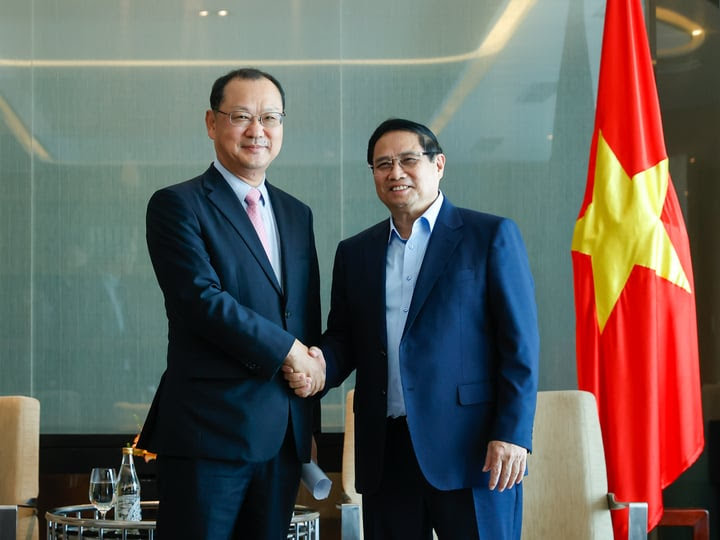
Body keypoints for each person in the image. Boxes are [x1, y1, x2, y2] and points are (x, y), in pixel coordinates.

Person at [287, 118, 539, 539]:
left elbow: (520, 347)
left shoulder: (489, 236)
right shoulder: (355, 253)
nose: (395, 172)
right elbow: (344, 339)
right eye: (383, 164)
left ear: (438, 164)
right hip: (386, 451)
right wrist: (317, 366)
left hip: (471, 449)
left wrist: (512, 433)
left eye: (408, 160)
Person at [138, 68, 325, 540]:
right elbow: (200, 301)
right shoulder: (177, 205)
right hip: (209, 434)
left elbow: (302, 316)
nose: (257, 130)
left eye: (270, 117)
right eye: (241, 116)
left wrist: (308, 415)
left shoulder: (296, 214)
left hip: (283, 437)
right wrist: (290, 351)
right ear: (211, 122)